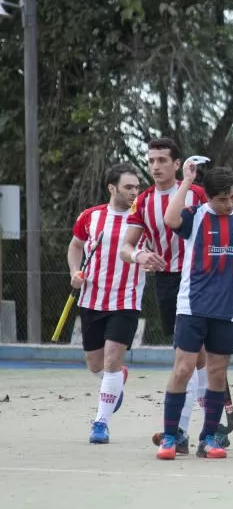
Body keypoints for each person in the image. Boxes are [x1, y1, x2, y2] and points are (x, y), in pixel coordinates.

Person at [155, 162, 233, 460]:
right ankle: (170, 437)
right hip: (192, 306)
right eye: (221, 199)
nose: (228, 204)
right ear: (208, 198)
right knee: (183, 369)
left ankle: (209, 437)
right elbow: (170, 219)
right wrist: (186, 181)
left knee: (216, 372)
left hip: (227, 311)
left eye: (232, 197)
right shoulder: (196, 216)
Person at [120, 138, 214, 454]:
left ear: (177, 164)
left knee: (185, 355)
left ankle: (182, 430)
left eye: (162, 160)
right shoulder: (143, 201)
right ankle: (212, 418)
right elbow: (125, 248)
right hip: (167, 282)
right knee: (194, 356)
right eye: (151, 161)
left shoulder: (197, 194)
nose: (156, 166)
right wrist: (139, 257)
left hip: (200, 281)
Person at [69, 163, 147, 444]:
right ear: (112, 188)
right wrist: (74, 272)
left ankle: (100, 422)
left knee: (113, 359)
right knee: (95, 364)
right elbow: (76, 245)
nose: (134, 192)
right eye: (128, 187)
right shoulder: (90, 217)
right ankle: (114, 381)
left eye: (137, 187)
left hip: (126, 299)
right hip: (92, 298)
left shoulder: (142, 219)